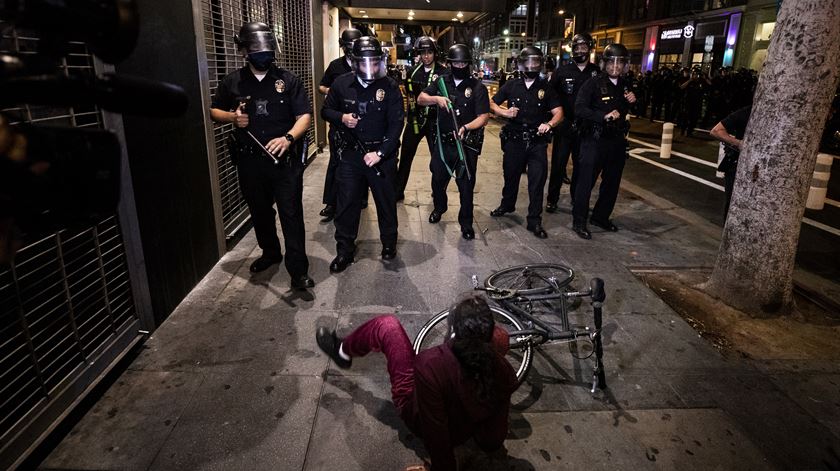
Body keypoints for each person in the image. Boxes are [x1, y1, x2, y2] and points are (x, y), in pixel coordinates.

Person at [315, 295, 517, 471]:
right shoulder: (504, 370)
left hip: (424, 416)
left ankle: (342, 350)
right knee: (502, 338)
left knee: (387, 326)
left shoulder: (431, 364)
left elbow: (435, 431)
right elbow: (494, 437)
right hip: (469, 426)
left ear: (454, 330)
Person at [210, 22, 313, 288]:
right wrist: (233, 117)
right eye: (257, 51)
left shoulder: (288, 80)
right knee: (259, 212)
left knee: (291, 213)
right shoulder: (233, 81)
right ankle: (270, 253)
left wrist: (288, 137)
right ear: (244, 51)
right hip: (250, 161)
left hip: (284, 162)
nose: (264, 55)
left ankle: (298, 271)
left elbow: (304, 116)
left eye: (268, 50)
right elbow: (214, 111)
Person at [321, 36, 404, 273]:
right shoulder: (341, 83)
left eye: (375, 62)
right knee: (347, 204)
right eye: (365, 62)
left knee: (386, 203)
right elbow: (325, 110)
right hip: (351, 155)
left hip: (381, 156)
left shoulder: (389, 86)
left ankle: (389, 244)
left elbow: (396, 124)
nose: (371, 67)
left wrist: (380, 152)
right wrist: (341, 118)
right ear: (354, 62)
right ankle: (344, 250)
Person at [417, 44, 490, 240]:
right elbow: (420, 98)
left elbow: (484, 116)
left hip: (465, 144)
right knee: (437, 180)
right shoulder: (441, 81)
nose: (459, 65)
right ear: (449, 63)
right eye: (455, 62)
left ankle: (466, 223)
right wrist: (436, 99)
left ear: (468, 63)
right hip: (443, 144)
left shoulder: (477, 87)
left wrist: (466, 127)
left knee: (466, 185)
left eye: (463, 62)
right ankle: (440, 208)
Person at [489, 46, 563, 239]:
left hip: (537, 142)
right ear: (521, 64)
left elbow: (559, 112)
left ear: (540, 64)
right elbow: (491, 102)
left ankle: (534, 220)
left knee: (537, 182)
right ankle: (507, 205)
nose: (531, 65)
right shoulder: (512, 85)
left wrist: (550, 124)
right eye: (527, 62)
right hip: (514, 140)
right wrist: (503, 112)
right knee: (510, 176)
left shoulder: (546, 88)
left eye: (535, 62)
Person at [571, 43, 636, 240]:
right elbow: (579, 108)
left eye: (620, 63)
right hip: (594, 138)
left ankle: (601, 217)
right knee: (586, 181)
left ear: (625, 65)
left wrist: (634, 100)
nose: (615, 66)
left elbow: (630, 109)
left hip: (615, 140)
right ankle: (579, 220)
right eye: (611, 62)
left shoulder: (625, 84)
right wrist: (603, 116)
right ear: (604, 63)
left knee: (612, 182)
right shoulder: (592, 83)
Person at [546, 33, 600, 213]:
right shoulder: (562, 71)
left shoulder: (596, 72)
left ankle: (576, 198)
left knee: (581, 166)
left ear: (590, 48)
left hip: (586, 127)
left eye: (584, 47)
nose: (580, 51)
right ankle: (552, 199)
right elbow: (550, 95)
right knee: (558, 165)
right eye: (577, 48)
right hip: (565, 125)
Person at [318, 28, 364, 221]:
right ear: (343, 47)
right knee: (336, 163)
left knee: (361, 163)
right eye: (348, 46)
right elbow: (322, 86)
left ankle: (360, 197)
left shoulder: (366, 64)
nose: (351, 50)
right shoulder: (336, 66)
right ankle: (332, 202)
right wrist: (334, 90)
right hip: (339, 122)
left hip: (360, 124)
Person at [395, 36, 443, 202]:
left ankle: (437, 192)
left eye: (429, 52)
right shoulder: (412, 72)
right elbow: (409, 97)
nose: (426, 56)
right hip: (415, 120)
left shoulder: (443, 72)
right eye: (423, 53)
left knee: (437, 161)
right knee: (406, 156)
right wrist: (411, 118)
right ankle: (398, 191)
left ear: (435, 53)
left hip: (435, 122)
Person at [710, 105, 752, 218]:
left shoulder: (748, 111)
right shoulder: (748, 112)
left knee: (733, 206)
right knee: (733, 206)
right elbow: (715, 131)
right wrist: (739, 143)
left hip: (740, 166)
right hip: (738, 165)